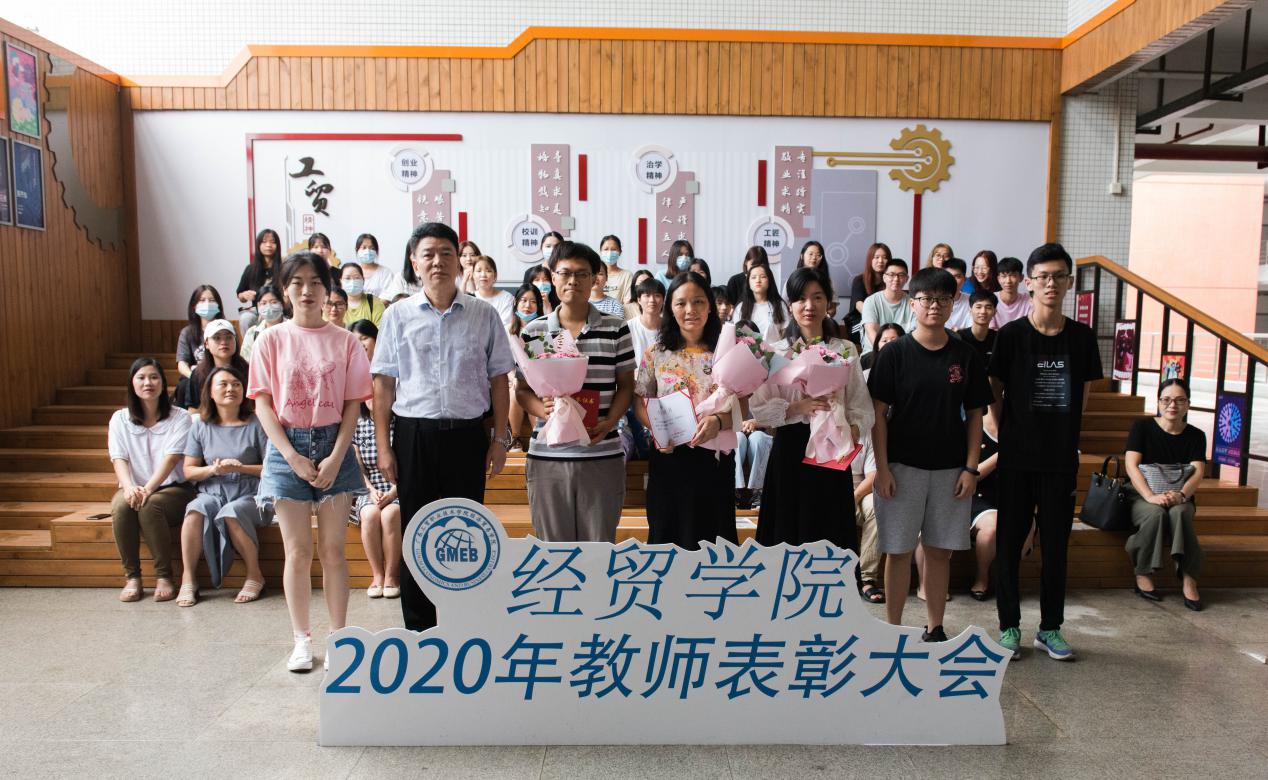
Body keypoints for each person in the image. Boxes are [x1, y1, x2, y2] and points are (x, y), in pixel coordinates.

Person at [371, 222, 515, 632]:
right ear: (415, 263)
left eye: (446, 253)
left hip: (468, 437)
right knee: (416, 532)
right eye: (428, 254)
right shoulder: (397, 315)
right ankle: (420, 629)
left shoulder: (483, 314)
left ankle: (463, 623)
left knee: (465, 532)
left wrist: (499, 440)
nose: (438, 262)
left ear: (460, 261)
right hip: (414, 435)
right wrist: (384, 446)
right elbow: (383, 384)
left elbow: (499, 379)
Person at [248, 250, 372, 672]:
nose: (306, 290)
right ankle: (301, 640)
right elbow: (263, 403)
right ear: (285, 290)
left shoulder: (346, 341)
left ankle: (340, 638)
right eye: (297, 282)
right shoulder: (270, 339)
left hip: (334, 442)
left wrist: (337, 456)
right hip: (287, 447)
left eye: (315, 282)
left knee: (333, 550)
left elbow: (353, 404)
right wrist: (291, 456)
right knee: (297, 552)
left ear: (326, 289)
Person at [989, 242, 1103, 661]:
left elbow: (1084, 394)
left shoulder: (1082, 338)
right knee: (1008, 545)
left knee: (1056, 547)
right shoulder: (1011, 336)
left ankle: (1050, 628)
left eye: (1058, 276)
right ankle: (1009, 627)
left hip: (1059, 461)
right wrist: (1008, 432)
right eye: (1043, 277)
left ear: (1069, 283)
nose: (1051, 284)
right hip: (1017, 459)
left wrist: (1065, 434)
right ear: (1029, 283)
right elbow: (994, 389)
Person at [868, 267, 991, 643]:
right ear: (912, 303)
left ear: (954, 304)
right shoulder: (894, 354)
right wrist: (882, 468)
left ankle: (935, 626)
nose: (934, 305)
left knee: (939, 552)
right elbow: (878, 415)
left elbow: (976, 415)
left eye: (942, 299)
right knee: (898, 551)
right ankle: (892, 629)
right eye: (926, 299)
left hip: (951, 470)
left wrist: (971, 468)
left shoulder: (965, 356)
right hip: (901, 468)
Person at [516, 242, 635, 542]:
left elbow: (626, 386)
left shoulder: (616, 328)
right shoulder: (536, 331)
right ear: (553, 278)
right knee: (553, 549)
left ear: (594, 278)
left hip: (601, 453)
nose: (573, 281)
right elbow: (522, 390)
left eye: (582, 274)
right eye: (565, 273)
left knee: (599, 547)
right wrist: (541, 410)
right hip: (548, 457)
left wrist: (610, 422)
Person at [751, 269, 873, 551]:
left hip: (831, 453)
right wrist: (798, 407)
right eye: (801, 299)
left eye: (817, 297)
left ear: (828, 303)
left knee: (829, 533)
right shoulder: (776, 351)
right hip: (790, 451)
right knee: (787, 534)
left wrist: (848, 431)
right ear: (790, 305)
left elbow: (861, 407)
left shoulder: (845, 349)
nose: (809, 306)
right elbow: (759, 410)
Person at [634, 271, 737, 549]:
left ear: (710, 306)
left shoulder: (728, 352)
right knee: (668, 537)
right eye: (681, 303)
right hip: (670, 457)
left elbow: (744, 404)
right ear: (670, 308)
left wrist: (719, 421)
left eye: (698, 301)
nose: (690, 310)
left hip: (714, 460)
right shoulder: (656, 352)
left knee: (714, 541)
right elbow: (640, 400)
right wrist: (657, 430)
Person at [177, 366, 269, 607]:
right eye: (224, 384)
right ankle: (188, 578)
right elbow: (188, 471)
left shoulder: (257, 423)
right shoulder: (200, 425)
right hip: (213, 491)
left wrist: (241, 468)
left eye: (236, 384)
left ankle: (254, 575)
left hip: (252, 493)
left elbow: (271, 468)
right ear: (210, 392)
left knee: (232, 512)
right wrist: (214, 470)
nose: (231, 389)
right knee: (195, 510)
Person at [108, 358, 195, 603]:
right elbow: (119, 458)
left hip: (174, 489)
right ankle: (132, 577)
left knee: (150, 505)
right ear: (132, 383)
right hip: (135, 487)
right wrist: (129, 488)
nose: (148, 383)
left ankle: (164, 576)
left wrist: (147, 489)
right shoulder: (120, 419)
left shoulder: (180, 417)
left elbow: (172, 458)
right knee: (120, 505)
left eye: (154, 377)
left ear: (163, 383)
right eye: (142, 378)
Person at [1124, 379, 1206, 610]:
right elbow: (1131, 466)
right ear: (1159, 402)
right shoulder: (1142, 427)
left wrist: (1181, 495)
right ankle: (1143, 572)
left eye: (1180, 400)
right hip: (1141, 494)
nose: (1173, 405)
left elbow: (1198, 472)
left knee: (1180, 513)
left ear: (1188, 404)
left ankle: (1189, 578)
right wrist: (1150, 496)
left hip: (1180, 494)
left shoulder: (1196, 435)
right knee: (1156, 514)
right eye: (1167, 399)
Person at [348, 319, 402, 600]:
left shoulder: (401, 424)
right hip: (368, 490)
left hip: (399, 490)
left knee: (391, 514)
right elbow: (357, 466)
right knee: (369, 514)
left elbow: (409, 465)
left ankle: (392, 575)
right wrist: (370, 491)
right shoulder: (357, 423)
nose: (373, 397)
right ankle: (377, 575)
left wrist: (393, 493)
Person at [177, 319, 250, 410]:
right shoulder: (198, 374)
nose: (224, 342)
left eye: (229, 337)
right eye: (217, 338)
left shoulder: (247, 370)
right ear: (206, 344)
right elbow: (194, 410)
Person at [508, 284, 544, 450]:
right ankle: (515, 438)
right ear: (516, 303)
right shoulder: (508, 330)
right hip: (513, 378)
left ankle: (538, 437)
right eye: (523, 300)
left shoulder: (541, 329)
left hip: (538, 379)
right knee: (515, 391)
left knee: (533, 392)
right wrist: (514, 378)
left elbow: (542, 362)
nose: (527, 305)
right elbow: (504, 363)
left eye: (533, 301)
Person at [852, 431, 884, 603]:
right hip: (828, 490)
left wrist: (854, 498)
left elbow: (872, 476)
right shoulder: (820, 429)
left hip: (860, 491)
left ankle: (866, 578)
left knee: (877, 507)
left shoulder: (866, 432)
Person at [861, 258, 917, 353]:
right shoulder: (871, 301)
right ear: (884, 277)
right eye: (891, 274)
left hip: (903, 353)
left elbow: (914, 334)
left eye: (901, 275)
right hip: (874, 352)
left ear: (906, 279)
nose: (896, 279)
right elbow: (871, 332)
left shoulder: (913, 303)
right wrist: (887, 354)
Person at [176, 285, 226, 381]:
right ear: (194, 306)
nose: (207, 304)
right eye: (202, 300)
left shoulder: (227, 330)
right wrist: (193, 377)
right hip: (196, 377)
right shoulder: (187, 333)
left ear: (218, 305)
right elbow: (182, 364)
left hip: (221, 376)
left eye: (212, 300)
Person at [236, 228, 282, 332]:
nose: (268, 245)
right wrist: (244, 295)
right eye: (264, 242)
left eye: (272, 242)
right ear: (258, 245)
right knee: (246, 318)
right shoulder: (250, 269)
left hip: (279, 310)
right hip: (257, 311)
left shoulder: (284, 268)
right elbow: (240, 295)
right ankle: (249, 342)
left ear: (277, 245)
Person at [737, 262, 789, 341]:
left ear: (769, 280)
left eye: (763, 277)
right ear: (748, 282)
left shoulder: (779, 305)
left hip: (775, 348)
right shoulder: (741, 307)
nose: (758, 280)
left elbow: (786, 333)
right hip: (748, 348)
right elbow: (737, 333)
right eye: (753, 277)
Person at [240, 283, 287, 362]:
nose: (269, 307)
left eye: (274, 302)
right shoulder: (252, 333)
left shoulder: (292, 329)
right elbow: (246, 361)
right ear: (258, 306)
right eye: (264, 303)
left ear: (282, 303)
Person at [627, 277, 665, 361]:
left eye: (657, 295)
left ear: (663, 300)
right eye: (647, 295)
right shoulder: (628, 327)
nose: (652, 300)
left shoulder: (670, 328)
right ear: (639, 300)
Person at [471, 256, 516, 329]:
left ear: (495, 275)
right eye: (479, 271)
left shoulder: (506, 298)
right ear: (473, 275)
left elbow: (505, 327)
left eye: (488, 271)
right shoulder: (469, 298)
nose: (483, 274)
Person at [956, 290, 998, 367]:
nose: (983, 311)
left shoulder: (998, 338)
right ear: (970, 310)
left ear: (995, 312)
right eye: (978, 307)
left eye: (988, 307)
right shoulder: (959, 338)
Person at [355, 233, 403, 300]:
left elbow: (389, 296)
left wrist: (375, 306)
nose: (368, 251)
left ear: (376, 251)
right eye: (364, 247)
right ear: (357, 250)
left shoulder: (386, 273)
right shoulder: (352, 271)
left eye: (372, 248)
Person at [991, 257, 1032, 329]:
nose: (1008, 281)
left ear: (1021, 277)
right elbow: (990, 330)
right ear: (998, 279)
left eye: (1013, 276)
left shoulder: (1029, 300)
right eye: (1004, 276)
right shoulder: (990, 299)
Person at [599, 234, 634, 304]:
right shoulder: (594, 274)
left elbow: (628, 303)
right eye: (606, 249)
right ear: (601, 252)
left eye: (613, 249)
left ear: (620, 252)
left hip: (619, 310)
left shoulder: (627, 275)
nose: (609, 253)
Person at [942, 258, 973, 330]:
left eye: (958, 276)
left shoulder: (971, 300)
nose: (953, 280)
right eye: (949, 276)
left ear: (965, 279)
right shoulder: (934, 300)